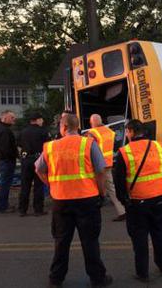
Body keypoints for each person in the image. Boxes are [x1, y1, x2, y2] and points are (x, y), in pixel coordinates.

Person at [35, 114, 112, 288]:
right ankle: (97, 279)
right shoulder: (88, 144)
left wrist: (52, 185)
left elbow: (38, 169)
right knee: (90, 241)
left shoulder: (50, 147)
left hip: (61, 200)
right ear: (78, 127)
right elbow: (100, 171)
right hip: (87, 199)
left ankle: (56, 279)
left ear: (62, 128)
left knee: (61, 241)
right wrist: (101, 192)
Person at [113, 120, 162, 282]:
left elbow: (118, 181)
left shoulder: (125, 152)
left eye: (126, 132)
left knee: (139, 238)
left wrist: (123, 200)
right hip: (158, 199)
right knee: (159, 233)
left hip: (137, 202)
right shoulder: (159, 146)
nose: (126, 135)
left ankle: (142, 273)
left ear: (131, 131)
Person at [86, 114, 126, 221]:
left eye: (91, 122)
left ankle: (121, 211)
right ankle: (122, 209)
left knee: (93, 186)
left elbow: (89, 148)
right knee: (110, 187)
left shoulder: (92, 133)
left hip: (97, 164)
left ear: (93, 122)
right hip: (108, 162)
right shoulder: (109, 131)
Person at [17, 112, 49, 217]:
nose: (42, 121)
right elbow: (48, 145)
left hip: (26, 160)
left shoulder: (23, 131)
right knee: (38, 185)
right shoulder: (43, 131)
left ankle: (22, 210)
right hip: (38, 160)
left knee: (25, 185)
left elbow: (19, 144)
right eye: (41, 119)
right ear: (37, 120)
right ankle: (38, 210)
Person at [0, 110, 18, 214]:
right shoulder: (4, 131)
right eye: (12, 117)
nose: (14, 119)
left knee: (5, 182)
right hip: (6, 160)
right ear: (4, 118)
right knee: (5, 183)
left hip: (2, 159)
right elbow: (6, 148)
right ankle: (3, 206)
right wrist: (14, 156)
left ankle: (4, 204)